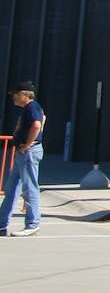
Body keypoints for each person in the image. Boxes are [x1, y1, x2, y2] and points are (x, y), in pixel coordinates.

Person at [2, 82, 45, 236]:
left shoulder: (32, 107)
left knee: (29, 188)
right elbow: (43, 118)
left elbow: (36, 125)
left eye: (16, 93)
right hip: (24, 152)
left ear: (25, 94)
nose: (13, 97)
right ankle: (1, 224)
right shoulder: (31, 108)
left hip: (28, 152)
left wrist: (28, 144)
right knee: (11, 188)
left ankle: (33, 224)